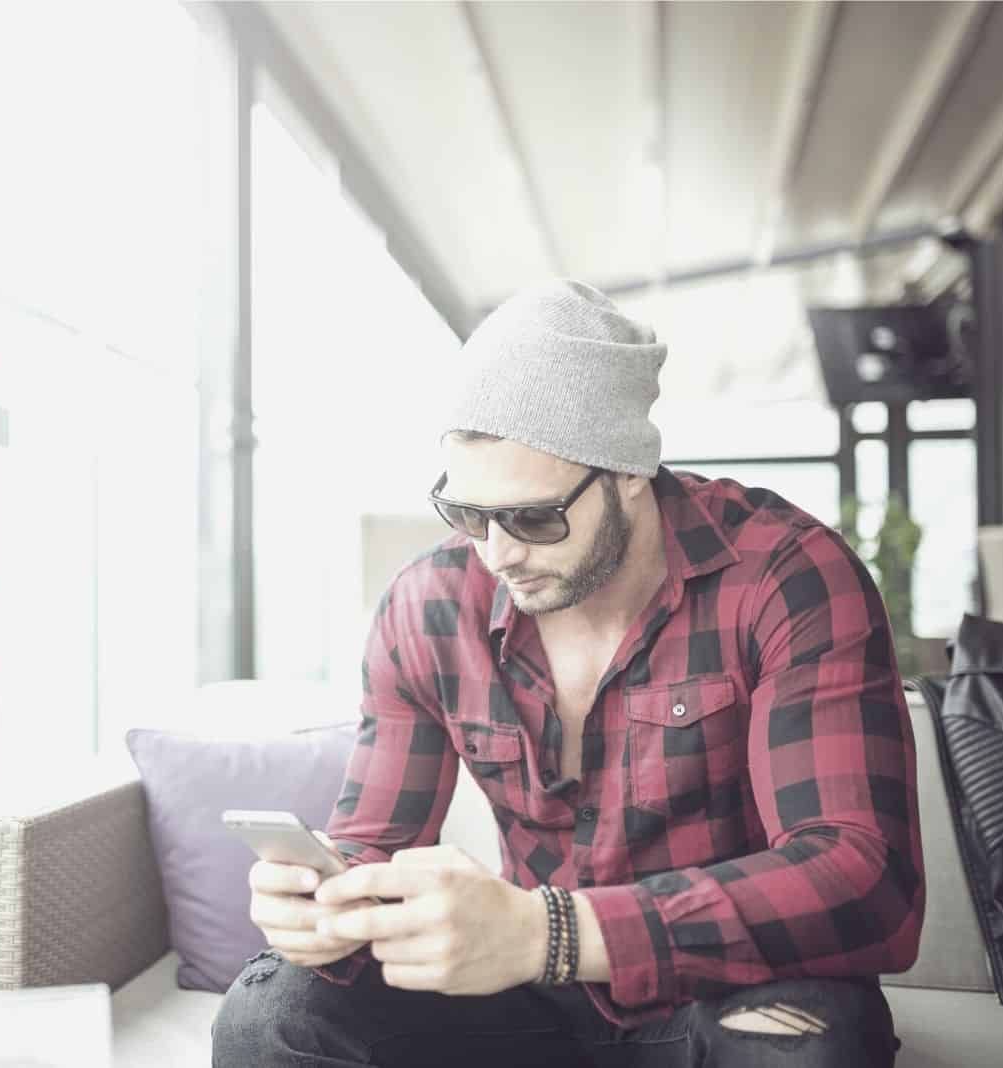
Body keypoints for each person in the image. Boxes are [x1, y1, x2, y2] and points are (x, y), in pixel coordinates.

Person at [211, 279, 923, 1067]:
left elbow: (865, 879)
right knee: (268, 1016)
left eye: (534, 517)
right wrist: (328, 909)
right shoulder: (428, 606)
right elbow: (375, 847)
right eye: (470, 514)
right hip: (521, 997)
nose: (499, 553)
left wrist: (551, 934)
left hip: (729, 988)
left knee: (803, 1053)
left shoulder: (786, 575)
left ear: (627, 471)